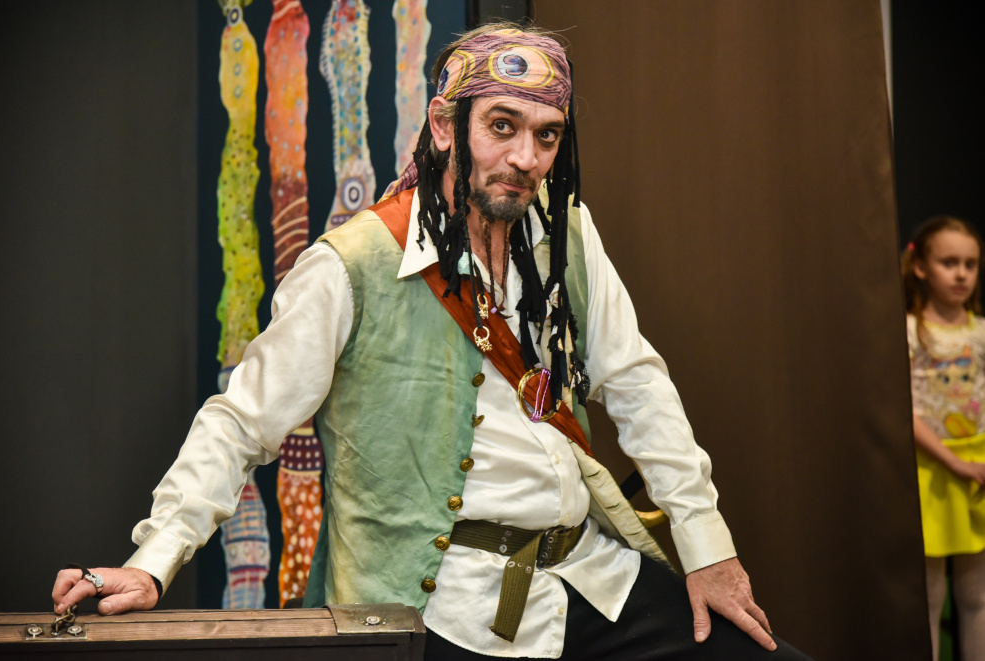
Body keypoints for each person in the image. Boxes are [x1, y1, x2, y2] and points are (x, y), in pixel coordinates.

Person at [53, 23, 811, 660]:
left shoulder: (568, 236)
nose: (526, 159)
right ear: (446, 126)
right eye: (503, 127)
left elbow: (639, 385)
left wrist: (709, 550)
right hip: (440, 606)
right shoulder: (352, 264)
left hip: (588, 577)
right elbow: (239, 423)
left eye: (546, 136)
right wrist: (153, 561)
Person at [903, 216, 985, 661]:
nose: (961, 274)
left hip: (979, 471)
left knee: (977, 595)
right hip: (930, 469)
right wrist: (953, 462)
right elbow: (905, 409)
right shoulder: (910, 331)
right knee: (930, 597)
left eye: (970, 264)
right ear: (921, 267)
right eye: (949, 262)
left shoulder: (981, 331)